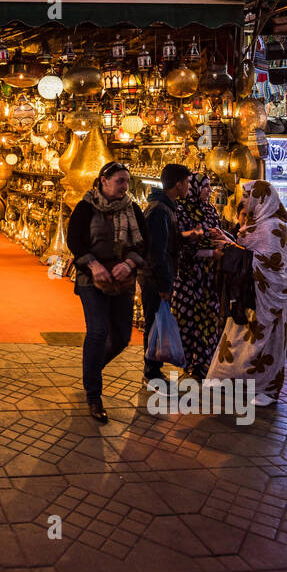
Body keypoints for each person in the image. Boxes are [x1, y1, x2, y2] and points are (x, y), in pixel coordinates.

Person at [66, 161, 146, 422]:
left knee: (121, 337)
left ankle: (91, 371)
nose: (125, 186)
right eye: (120, 180)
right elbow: (75, 240)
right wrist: (93, 263)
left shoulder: (133, 209)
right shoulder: (86, 207)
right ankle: (93, 394)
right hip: (92, 280)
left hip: (123, 281)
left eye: (127, 181)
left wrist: (130, 262)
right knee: (98, 331)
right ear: (103, 180)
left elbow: (145, 243)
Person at [205, 180, 287, 406]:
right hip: (250, 292)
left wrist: (228, 247)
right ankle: (228, 379)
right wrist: (227, 241)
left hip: (266, 295)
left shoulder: (273, 226)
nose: (244, 201)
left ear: (261, 199)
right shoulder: (257, 224)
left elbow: (267, 262)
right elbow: (247, 253)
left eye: (248, 195)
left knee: (264, 342)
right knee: (239, 336)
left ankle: (266, 388)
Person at [141, 163, 192, 385]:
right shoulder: (159, 210)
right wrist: (164, 283)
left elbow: (167, 242)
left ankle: (153, 366)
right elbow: (157, 251)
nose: (189, 186)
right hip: (154, 276)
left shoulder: (166, 207)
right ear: (178, 184)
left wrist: (188, 236)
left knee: (156, 319)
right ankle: (151, 369)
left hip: (158, 274)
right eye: (187, 182)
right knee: (154, 321)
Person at [173, 173, 224, 381]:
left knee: (208, 316)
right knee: (186, 318)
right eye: (205, 187)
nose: (209, 190)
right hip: (188, 277)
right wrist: (208, 251)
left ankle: (204, 361)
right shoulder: (181, 211)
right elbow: (178, 245)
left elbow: (219, 234)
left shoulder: (210, 210)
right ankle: (187, 361)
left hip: (209, 277)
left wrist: (217, 239)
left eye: (210, 186)